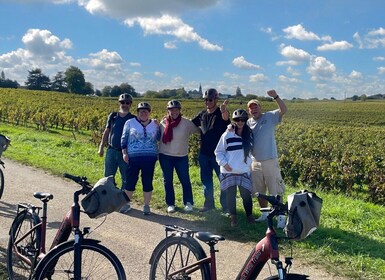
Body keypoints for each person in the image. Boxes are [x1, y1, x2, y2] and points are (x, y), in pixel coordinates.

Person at [247, 89, 287, 228]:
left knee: (275, 188)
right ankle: (264, 213)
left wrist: (275, 96)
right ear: (249, 111)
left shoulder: (270, 117)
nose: (253, 110)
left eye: (255, 107)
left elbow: (283, 109)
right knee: (259, 190)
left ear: (260, 108)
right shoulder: (248, 123)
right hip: (255, 161)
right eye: (251, 108)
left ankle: (281, 216)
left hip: (270, 159)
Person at [192, 88, 230, 212]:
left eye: (210, 99)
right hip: (204, 154)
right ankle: (209, 205)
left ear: (216, 100)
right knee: (206, 181)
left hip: (219, 155)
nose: (207, 102)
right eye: (206, 100)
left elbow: (226, 119)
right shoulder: (202, 114)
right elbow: (190, 123)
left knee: (223, 180)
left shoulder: (220, 113)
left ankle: (225, 206)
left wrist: (224, 110)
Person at [215, 109, 255, 227]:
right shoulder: (228, 133)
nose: (240, 122)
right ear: (234, 120)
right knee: (230, 195)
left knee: (246, 195)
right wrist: (223, 163)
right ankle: (233, 217)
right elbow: (219, 151)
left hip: (243, 170)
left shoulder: (249, 134)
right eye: (237, 120)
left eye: (243, 120)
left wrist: (249, 163)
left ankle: (249, 215)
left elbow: (252, 151)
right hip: (229, 170)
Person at [159, 100, 200, 213]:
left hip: (181, 156)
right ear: (168, 111)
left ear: (179, 110)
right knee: (168, 180)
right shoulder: (162, 123)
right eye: (171, 110)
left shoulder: (186, 123)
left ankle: (188, 202)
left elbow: (199, 131)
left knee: (185, 179)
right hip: (165, 156)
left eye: (176, 110)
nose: (174, 112)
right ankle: (171, 203)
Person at [120, 102, 160, 215]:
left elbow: (159, 138)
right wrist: (124, 153)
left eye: (146, 111)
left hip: (149, 158)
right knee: (130, 180)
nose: (143, 113)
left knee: (147, 181)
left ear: (149, 113)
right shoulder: (130, 122)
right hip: (133, 157)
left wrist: (158, 126)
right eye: (141, 111)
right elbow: (124, 138)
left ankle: (146, 206)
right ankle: (126, 204)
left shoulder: (154, 124)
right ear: (137, 112)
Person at [98, 93, 135, 188]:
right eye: (123, 102)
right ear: (119, 103)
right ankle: (109, 198)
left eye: (127, 103)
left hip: (126, 153)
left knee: (126, 177)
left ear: (130, 104)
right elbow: (106, 132)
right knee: (108, 177)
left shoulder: (133, 119)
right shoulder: (113, 116)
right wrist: (101, 147)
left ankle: (123, 200)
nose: (125, 105)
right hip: (111, 150)